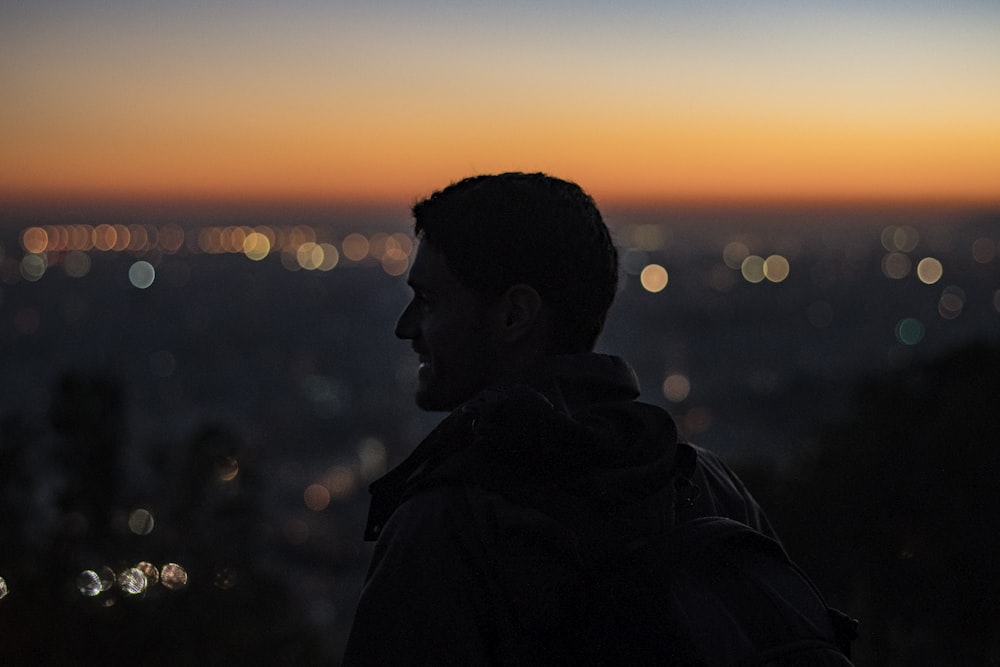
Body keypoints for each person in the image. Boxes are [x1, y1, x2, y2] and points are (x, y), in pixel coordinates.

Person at [344, 173, 785, 665]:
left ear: (515, 315)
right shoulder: (707, 486)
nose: (405, 327)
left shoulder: (448, 528)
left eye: (427, 300)